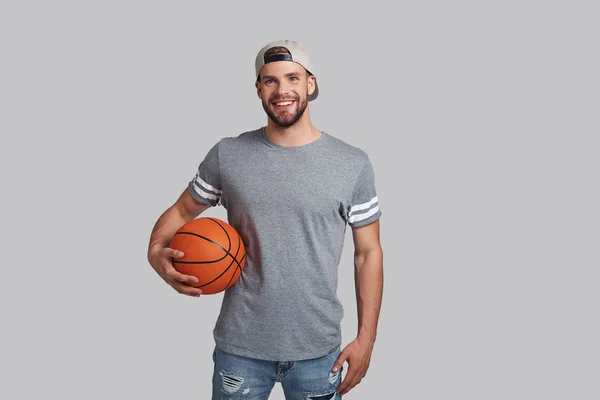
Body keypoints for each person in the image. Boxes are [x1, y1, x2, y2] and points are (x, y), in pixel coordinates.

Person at [147, 40, 384, 399]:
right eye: (270, 80)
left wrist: (366, 339)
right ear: (258, 89)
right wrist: (155, 252)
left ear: (311, 84)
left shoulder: (352, 163)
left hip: (318, 351)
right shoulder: (228, 155)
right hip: (240, 349)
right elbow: (181, 211)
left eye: (292, 77)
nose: (281, 90)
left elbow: (368, 253)